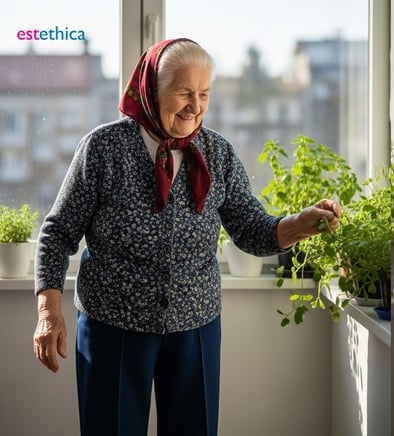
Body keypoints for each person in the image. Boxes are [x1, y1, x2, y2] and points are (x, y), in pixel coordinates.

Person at [32, 38, 341, 436]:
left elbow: (250, 229)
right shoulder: (103, 149)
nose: (196, 106)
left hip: (195, 324)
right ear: (151, 90)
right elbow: (57, 233)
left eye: (204, 94)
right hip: (113, 325)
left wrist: (300, 223)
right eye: (183, 93)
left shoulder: (218, 154)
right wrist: (48, 312)